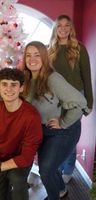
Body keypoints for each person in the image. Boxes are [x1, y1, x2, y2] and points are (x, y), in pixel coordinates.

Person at [21, 41, 88, 200]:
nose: (32, 59)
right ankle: (61, 191)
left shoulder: (53, 79)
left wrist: (63, 122)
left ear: (44, 57)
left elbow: (80, 102)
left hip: (64, 130)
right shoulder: (26, 78)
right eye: (28, 55)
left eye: (37, 55)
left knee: (46, 170)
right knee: (50, 167)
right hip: (44, 130)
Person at [0, 68, 41, 200]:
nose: (9, 89)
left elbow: (26, 157)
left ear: (21, 88)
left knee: (17, 180)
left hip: (20, 160)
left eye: (14, 85)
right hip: (0, 158)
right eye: (4, 84)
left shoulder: (31, 116)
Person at [47, 15, 91, 188]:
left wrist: (89, 103)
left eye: (67, 26)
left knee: (70, 134)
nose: (63, 29)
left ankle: (68, 170)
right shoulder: (49, 49)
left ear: (71, 28)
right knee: (57, 133)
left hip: (75, 98)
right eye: (60, 26)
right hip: (55, 99)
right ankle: (56, 168)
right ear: (55, 29)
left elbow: (86, 78)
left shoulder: (79, 48)